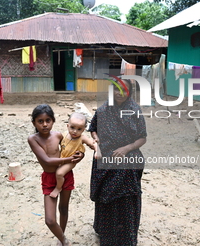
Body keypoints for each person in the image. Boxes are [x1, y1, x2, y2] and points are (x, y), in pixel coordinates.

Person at [88, 78, 147, 245]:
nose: (119, 93)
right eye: (116, 89)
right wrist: (97, 143)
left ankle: (126, 237)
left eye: (124, 90)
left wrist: (126, 149)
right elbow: (93, 130)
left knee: (126, 197)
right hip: (105, 158)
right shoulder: (103, 110)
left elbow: (142, 138)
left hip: (128, 158)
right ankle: (105, 232)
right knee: (105, 196)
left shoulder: (135, 110)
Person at [27, 104, 84, 246]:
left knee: (63, 208)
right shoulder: (33, 139)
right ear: (34, 122)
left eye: (48, 120)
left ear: (53, 121)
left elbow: (76, 143)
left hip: (64, 174)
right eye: (40, 121)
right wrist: (69, 159)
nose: (45, 124)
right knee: (50, 220)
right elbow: (46, 160)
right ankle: (65, 240)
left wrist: (81, 154)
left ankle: (61, 239)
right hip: (49, 178)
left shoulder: (59, 135)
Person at [50, 112, 101, 198]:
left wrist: (97, 151)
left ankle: (58, 188)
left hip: (71, 160)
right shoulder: (64, 134)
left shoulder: (82, 138)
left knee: (59, 173)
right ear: (67, 126)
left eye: (79, 129)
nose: (75, 131)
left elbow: (93, 144)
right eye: (72, 127)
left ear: (84, 129)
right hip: (62, 156)